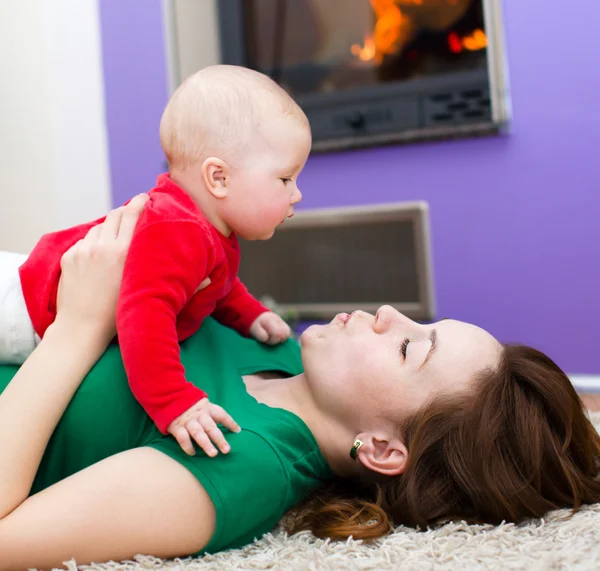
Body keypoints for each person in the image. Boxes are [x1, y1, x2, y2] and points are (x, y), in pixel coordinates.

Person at [1, 199, 599, 570]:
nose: (390, 312)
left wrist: (79, 327)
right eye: (423, 322)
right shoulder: (281, 347)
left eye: (409, 346)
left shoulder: (238, 462)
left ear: (384, 449)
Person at [0, 65, 312, 457]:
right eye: (286, 179)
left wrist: (249, 314)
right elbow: (146, 318)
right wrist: (174, 401)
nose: (296, 194)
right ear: (218, 178)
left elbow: (216, 284)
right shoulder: (179, 230)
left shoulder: (208, 228)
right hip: (21, 309)